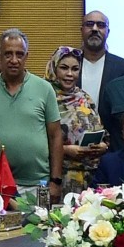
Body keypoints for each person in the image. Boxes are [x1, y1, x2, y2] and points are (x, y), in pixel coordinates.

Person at [0, 29, 64, 201]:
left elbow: (55, 136)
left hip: (38, 184)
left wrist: (56, 181)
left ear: (26, 56)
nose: (14, 60)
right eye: (8, 54)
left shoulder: (44, 88)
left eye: (19, 54)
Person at [48, 47, 107, 193]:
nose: (70, 74)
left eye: (75, 69)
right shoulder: (45, 97)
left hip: (91, 176)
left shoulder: (84, 97)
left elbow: (102, 131)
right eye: (64, 68)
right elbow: (35, 140)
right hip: (59, 176)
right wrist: (65, 150)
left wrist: (103, 146)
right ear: (54, 69)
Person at [76, 11, 124, 113]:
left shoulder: (123, 67)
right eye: (89, 24)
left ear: (108, 32)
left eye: (100, 25)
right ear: (81, 30)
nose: (94, 29)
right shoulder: (69, 66)